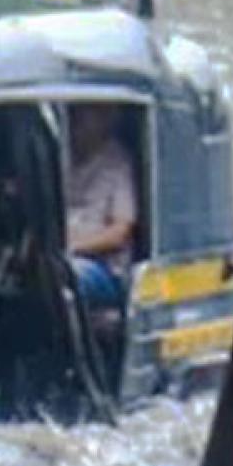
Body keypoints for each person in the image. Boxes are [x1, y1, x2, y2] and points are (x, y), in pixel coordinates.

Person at [64, 104, 137, 311]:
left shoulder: (117, 164)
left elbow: (120, 232)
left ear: (106, 120)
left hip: (102, 268)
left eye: (83, 116)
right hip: (57, 257)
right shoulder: (62, 158)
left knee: (65, 278)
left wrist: (71, 247)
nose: (75, 123)